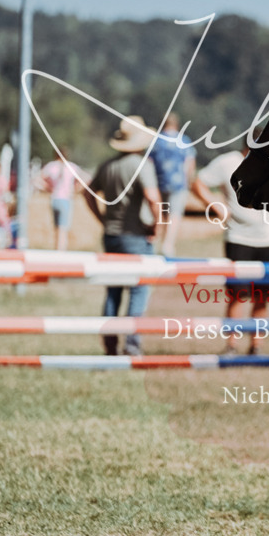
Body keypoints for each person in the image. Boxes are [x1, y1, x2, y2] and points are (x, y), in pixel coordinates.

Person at [190, 132, 269, 355]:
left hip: (268, 240)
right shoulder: (228, 162)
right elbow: (197, 183)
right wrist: (216, 206)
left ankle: (257, 346)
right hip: (238, 239)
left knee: (262, 297)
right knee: (238, 296)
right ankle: (232, 345)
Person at [85, 116, 161, 356]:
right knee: (139, 289)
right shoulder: (142, 165)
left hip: (111, 235)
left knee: (113, 291)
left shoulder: (108, 165)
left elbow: (88, 193)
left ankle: (109, 343)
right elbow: (153, 198)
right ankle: (132, 343)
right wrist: (156, 226)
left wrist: (102, 218)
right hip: (135, 236)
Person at [149, 112, 195, 256]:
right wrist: (189, 182)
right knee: (174, 214)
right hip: (178, 184)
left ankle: (155, 240)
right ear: (177, 124)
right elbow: (190, 163)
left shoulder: (156, 140)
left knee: (159, 213)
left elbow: (149, 162)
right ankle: (168, 245)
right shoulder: (184, 140)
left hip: (158, 183)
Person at [39, 155, 87, 251]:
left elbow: (38, 178)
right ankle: (60, 252)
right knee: (63, 229)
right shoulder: (71, 166)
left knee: (57, 228)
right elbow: (85, 178)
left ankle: (57, 249)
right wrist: (75, 190)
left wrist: (47, 188)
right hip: (65, 199)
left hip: (54, 199)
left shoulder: (52, 166)